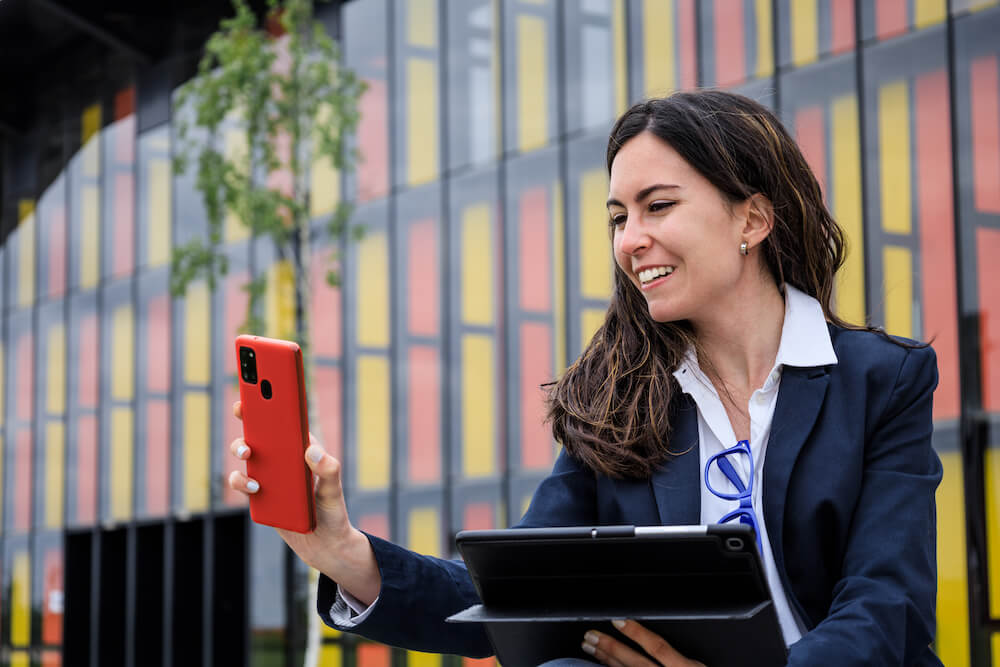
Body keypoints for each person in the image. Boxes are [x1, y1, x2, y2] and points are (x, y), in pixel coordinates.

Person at [229, 90, 943, 666]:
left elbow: (884, 608)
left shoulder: (883, 380)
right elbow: (511, 596)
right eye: (618, 216)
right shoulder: (621, 400)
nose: (630, 239)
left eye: (658, 206)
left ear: (750, 218)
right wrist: (345, 551)